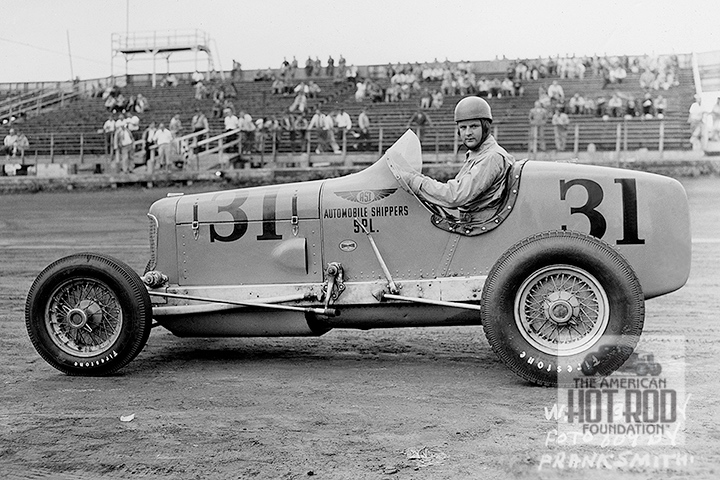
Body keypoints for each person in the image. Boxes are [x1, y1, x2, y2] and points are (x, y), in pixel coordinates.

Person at [395, 96, 515, 224]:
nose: (468, 132)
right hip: (474, 225)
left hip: (481, 229)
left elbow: (454, 196)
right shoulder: (477, 154)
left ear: (485, 127)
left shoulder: (492, 157)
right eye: (463, 127)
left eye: (473, 126)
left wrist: (413, 180)